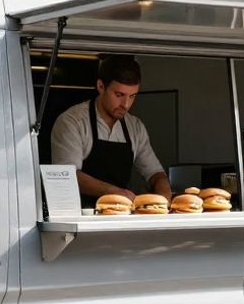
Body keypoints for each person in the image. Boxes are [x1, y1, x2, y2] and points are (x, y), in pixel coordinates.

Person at [50, 54, 172, 206]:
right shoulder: (72, 122)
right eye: (119, 95)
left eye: (132, 96)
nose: (126, 104)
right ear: (101, 86)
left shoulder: (135, 127)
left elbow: (155, 173)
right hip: (81, 214)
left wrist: (164, 196)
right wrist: (117, 193)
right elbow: (67, 175)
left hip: (119, 215)